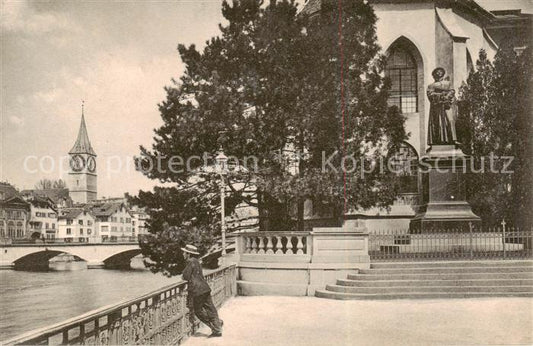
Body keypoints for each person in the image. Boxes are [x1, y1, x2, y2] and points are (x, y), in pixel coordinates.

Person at [181, 244, 223, 337]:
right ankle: (217, 324)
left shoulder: (190, 262)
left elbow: (185, 276)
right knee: (210, 308)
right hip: (205, 288)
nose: (183, 254)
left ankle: (216, 329)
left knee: (198, 311)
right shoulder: (196, 261)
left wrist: (183, 275)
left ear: (188, 254)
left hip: (198, 291)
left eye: (184, 252)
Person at [427, 67, 458, 145]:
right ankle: (439, 140)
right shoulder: (431, 85)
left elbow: (452, 91)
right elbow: (430, 95)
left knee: (450, 121)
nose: (439, 73)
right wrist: (441, 96)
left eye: (440, 71)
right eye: (437, 72)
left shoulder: (448, 83)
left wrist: (447, 97)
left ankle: (453, 139)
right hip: (437, 106)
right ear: (434, 75)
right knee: (438, 123)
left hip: (447, 105)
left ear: (443, 73)